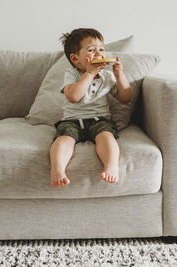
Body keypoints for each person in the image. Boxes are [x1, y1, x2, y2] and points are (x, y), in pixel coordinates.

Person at [50, 28, 131, 188]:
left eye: (101, 49)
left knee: (106, 136)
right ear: (75, 59)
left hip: (100, 120)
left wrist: (119, 75)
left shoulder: (107, 76)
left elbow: (126, 97)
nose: (99, 54)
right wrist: (89, 74)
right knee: (63, 139)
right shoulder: (71, 74)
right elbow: (73, 97)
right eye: (91, 50)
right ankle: (57, 169)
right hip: (71, 121)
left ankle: (111, 166)